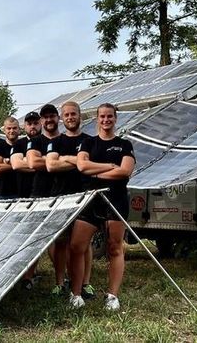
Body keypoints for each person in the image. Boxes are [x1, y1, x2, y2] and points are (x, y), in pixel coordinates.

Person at [70, 103, 135, 310]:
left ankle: (112, 296)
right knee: (77, 246)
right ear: (97, 119)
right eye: (102, 117)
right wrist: (107, 168)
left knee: (115, 247)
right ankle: (76, 294)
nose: (106, 120)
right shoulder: (88, 143)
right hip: (91, 200)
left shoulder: (124, 144)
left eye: (110, 117)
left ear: (115, 119)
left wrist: (95, 172)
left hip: (116, 199)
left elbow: (124, 171)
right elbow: (81, 166)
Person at [46, 101, 94, 298]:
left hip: (84, 196)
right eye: (66, 114)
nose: (70, 117)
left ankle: (85, 283)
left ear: (79, 116)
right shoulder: (56, 141)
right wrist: (78, 161)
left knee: (84, 244)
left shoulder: (90, 140)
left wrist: (65, 159)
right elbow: (50, 166)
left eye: (73, 114)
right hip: (61, 198)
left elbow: (90, 165)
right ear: (62, 118)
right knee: (61, 243)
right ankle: (60, 282)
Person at [9, 110, 41, 289]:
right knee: (20, 237)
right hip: (21, 196)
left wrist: (35, 164)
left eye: (35, 123)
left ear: (41, 123)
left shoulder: (47, 142)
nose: (32, 126)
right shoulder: (19, 144)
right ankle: (18, 273)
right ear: (24, 127)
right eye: (29, 123)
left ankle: (29, 276)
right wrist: (41, 165)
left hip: (43, 196)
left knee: (37, 238)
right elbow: (16, 164)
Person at [26, 104, 61, 198]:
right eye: (45, 117)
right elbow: (33, 163)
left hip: (65, 193)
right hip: (40, 194)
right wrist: (59, 161)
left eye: (52, 116)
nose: (49, 119)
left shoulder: (66, 140)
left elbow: (77, 163)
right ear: (41, 121)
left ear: (58, 118)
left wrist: (43, 158)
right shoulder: (34, 141)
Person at [0, 116, 20, 199]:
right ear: (4, 130)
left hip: (23, 193)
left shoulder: (24, 145)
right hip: (4, 194)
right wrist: (19, 163)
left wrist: (7, 162)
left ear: (19, 129)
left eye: (14, 128)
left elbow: (31, 164)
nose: (12, 131)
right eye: (9, 128)